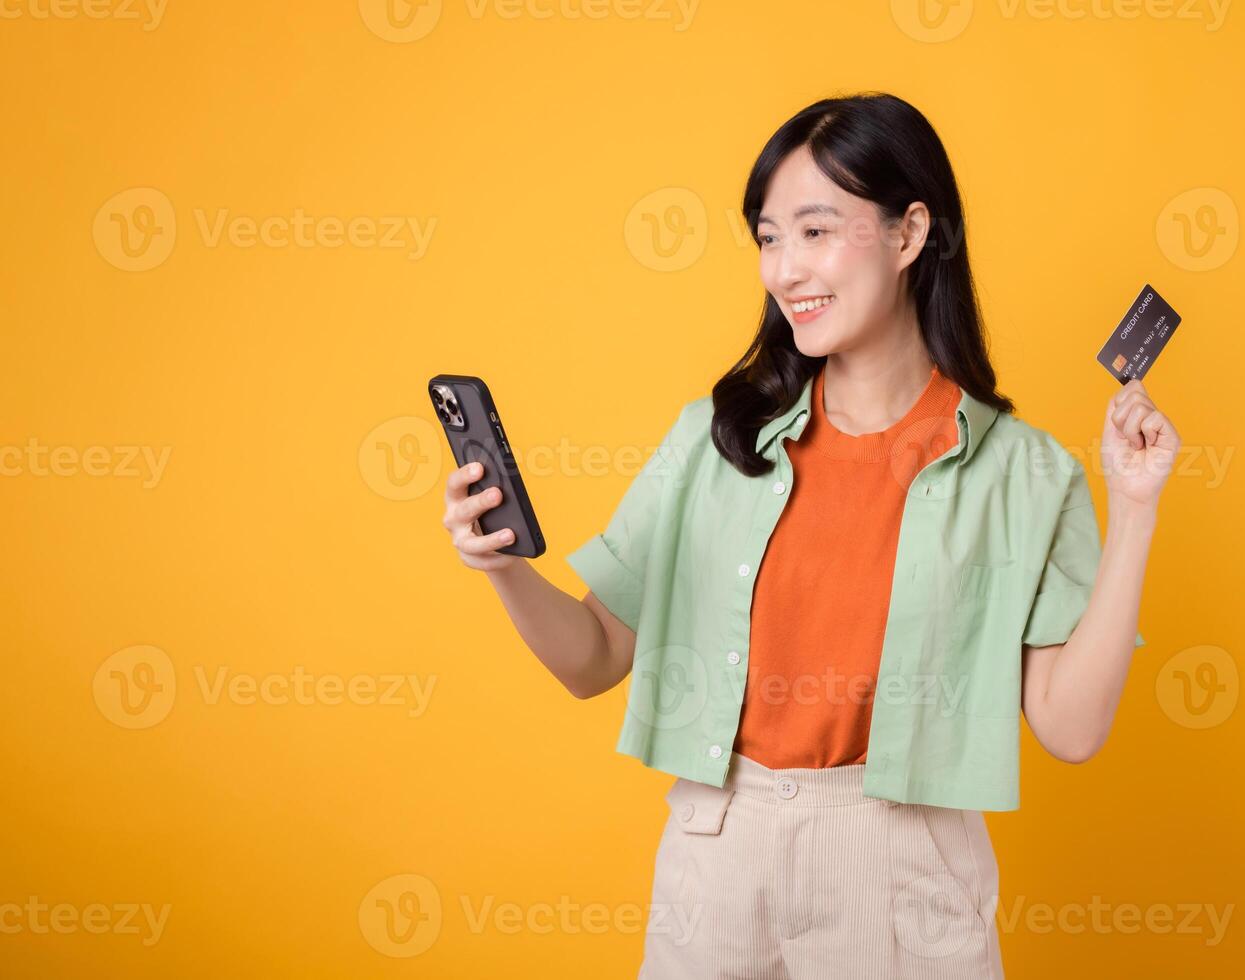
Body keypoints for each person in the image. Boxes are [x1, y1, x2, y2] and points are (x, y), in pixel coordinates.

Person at [439, 91, 1178, 979]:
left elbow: (1071, 725)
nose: (786, 269)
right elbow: (594, 656)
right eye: (768, 237)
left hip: (901, 869)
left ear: (909, 236)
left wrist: (1134, 509)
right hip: (719, 854)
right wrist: (502, 566)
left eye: (817, 231)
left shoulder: (1023, 472)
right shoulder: (715, 439)